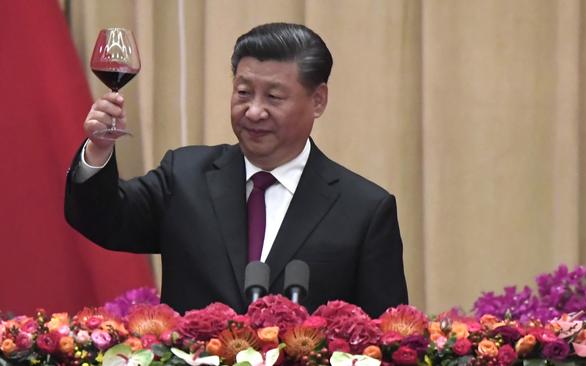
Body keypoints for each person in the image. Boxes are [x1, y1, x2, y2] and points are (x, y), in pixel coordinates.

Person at [65, 22, 408, 318]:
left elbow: (384, 337)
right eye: (243, 93)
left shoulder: (363, 210)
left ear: (318, 100)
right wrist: (99, 148)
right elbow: (102, 219)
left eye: (274, 97)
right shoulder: (184, 176)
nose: (254, 111)